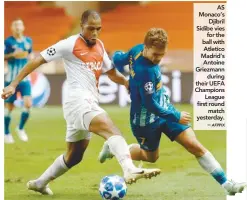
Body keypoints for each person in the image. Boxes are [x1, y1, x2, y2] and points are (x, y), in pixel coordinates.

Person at [1, 11, 161, 196]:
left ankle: (40, 183)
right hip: (77, 101)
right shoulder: (69, 44)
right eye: (90, 29)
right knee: (110, 128)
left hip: (86, 102)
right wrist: (13, 84)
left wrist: (125, 82)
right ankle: (128, 168)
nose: (94, 33)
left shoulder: (100, 46)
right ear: (81, 26)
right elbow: (38, 60)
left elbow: (110, 72)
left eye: (98, 29)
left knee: (74, 156)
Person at [98, 28, 246, 196]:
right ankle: (114, 148)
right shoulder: (145, 71)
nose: (158, 59)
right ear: (146, 48)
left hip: (165, 110)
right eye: (155, 54)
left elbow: (119, 59)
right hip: (145, 121)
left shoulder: (136, 50)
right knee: (150, 157)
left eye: (161, 55)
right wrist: (177, 115)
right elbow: (150, 104)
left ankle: (227, 184)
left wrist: (119, 64)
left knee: (194, 145)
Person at [4, 18, 33, 143]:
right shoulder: (8, 41)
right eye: (15, 25)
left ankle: (20, 128)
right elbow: (3, 56)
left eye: (19, 24)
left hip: (25, 78)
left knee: (28, 104)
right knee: (10, 107)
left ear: (23, 27)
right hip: (11, 79)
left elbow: (30, 55)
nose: (17, 27)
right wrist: (12, 55)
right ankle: (6, 133)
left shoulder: (28, 41)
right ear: (12, 28)